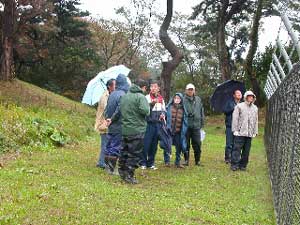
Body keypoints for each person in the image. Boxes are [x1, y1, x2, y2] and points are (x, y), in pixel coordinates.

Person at [119, 79, 150, 184]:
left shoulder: (124, 96)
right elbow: (145, 111)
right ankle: (129, 175)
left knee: (124, 151)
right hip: (137, 129)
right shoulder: (141, 97)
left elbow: (120, 110)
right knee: (134, 153)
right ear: (143, 87)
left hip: (125, 129)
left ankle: (122, 172)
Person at [104, 74, 130, 174]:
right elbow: (119, 110)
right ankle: (111, 169)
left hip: (110, 125)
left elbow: (106, 109)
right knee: (115, 146)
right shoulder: (122, 95)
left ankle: (107, 167)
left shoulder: (112, 94)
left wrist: (107, 119)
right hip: (118, 125)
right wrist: (112, 119)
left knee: (109, 145)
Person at [141, 80, 166, 170]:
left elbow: (164, 110)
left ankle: (151, 163)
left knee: (154, 145)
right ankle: (143, 162)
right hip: (148, 124)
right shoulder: (146, 97)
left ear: (158, 88)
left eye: (155, 87)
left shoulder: (161, 99)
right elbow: (144, 110)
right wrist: (152, 103)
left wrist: (163, 114)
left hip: (157, 124)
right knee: (146, 144)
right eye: (151, 87)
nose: (153, 88)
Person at [230, 90, 258, 171]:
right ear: (245, 97)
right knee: (237, 149)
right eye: (249, 96)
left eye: (252, 96)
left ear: (253, 98)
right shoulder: (239, 106)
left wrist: (255, 132)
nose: (250, 98)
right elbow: (235, 119)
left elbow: (256, 120)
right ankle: (234, 165)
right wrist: (235, 130)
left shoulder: (255, 108)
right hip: (240, 132)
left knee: (246, 151)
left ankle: (243, 165)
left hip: (249, 134)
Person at [95, 79, 116, 169]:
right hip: (104, 124)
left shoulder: (110, 95)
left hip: (108, 124)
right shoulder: (105, 96)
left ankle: (102, 161)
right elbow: (106, 109)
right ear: (109, 86)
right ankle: (101, 162)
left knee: (107, 143)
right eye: (115, 85)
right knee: (105, 144)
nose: (116, 87)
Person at [182, 83, 205, 166]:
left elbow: (201, 111)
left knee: (197, 144)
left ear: (194, 90)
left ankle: (197, 161)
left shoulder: (198, 99)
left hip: (196, 125)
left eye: (192, 89)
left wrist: (202, 123)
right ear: (186, 90)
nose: (190, 91)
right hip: (186, 125)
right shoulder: (183, 99)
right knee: (186, 144)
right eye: (189, 89)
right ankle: (186, 160)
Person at [166, 93, 188, 168]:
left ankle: (177, 162)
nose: (177, 100)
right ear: (173, 99)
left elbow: (185, 121)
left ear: (181, 100)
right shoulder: (169, 107)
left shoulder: (183, 109)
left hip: (178, 132)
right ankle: (167, 161)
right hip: (169, 131)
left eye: (178, 98)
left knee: (179, 147)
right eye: (175, 98)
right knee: (167, 146)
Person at [222, 90, 242, 164]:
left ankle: (234, 157)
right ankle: (227, 158)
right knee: (229, 143)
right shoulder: (229, 102)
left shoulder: (242, 104)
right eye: (237, 93)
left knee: (236, 143)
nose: (239, 94)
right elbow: (225, 111)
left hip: (238, 126)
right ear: (234, 95)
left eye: (240, 93)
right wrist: (234, 108)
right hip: (230, 125)